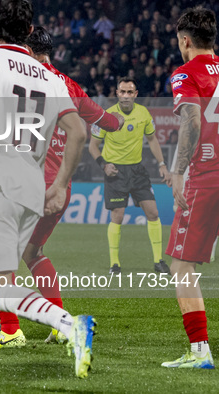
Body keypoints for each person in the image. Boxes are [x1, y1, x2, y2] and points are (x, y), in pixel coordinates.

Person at [0, 1, 95, 391]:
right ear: (28, 30)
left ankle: (70, 324)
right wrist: (59, 185)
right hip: (32, 185)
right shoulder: (51, 77)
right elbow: (79, 132)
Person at [0, 26, 125, 349]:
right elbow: (107, 121)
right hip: (61, 190)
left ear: (28, 49)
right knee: (32, 252)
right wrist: (120, 121)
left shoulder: (23, 80)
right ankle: (61, 324)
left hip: (28, 184)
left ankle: (10, 331)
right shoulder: (70, 86)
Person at [162, 6, 219, 369]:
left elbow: (193, 121)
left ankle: (199, 351)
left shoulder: (185, 74)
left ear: (185, 40)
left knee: (181, 264)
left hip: (206, 177)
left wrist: (178, 170)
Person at [89, 77, 171, 275]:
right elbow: (93, 146)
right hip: (115, 172)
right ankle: (114, 263)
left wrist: (162, 165)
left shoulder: (143, 113)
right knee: (117, 216)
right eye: (122, 92)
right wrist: (104, 165)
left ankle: (158, 261)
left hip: (137, 170)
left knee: (153, 213)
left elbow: (152, 140)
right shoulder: (106, 116)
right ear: (117, 93)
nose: (125, 96)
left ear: (136, 94)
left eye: (129, 92)